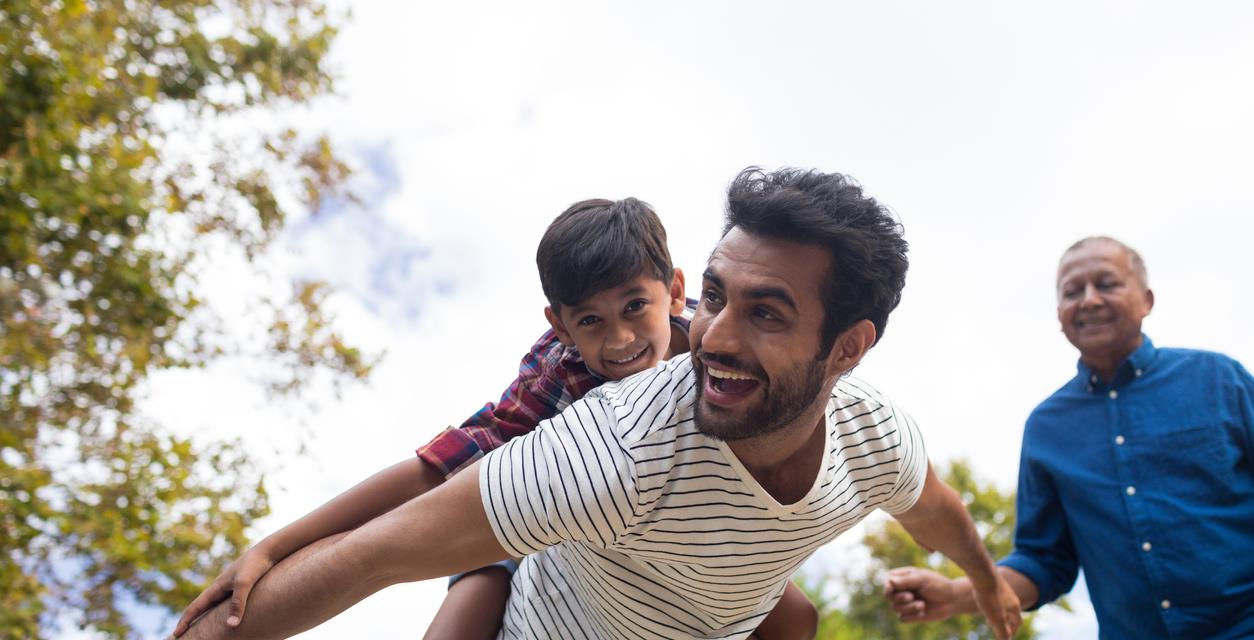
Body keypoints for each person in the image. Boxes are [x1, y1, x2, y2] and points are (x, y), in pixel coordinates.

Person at [174, 167, 1022, 640]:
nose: (718, 337)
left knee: (791, 614)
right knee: (476, 586)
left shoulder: (869, 433)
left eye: (764, 313)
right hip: (547, 557)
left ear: (849, 347)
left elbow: (937, 510)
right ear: (560, 326)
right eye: (721, 301)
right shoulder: (598, 436)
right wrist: (267, 557)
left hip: (707, 596)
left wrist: (985, 586)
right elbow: (385, 538)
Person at [885, 236, 1254, 638]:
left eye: (1107, 284)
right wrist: (958, 593)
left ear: (1147, 299)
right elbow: (1044, 561)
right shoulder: (1046, 428)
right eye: (1072, 292)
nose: (1090, 300)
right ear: (1060, 313)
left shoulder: (1220, 381)